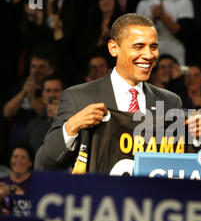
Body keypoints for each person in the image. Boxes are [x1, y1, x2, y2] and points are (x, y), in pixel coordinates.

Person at [34, 13, 183, 171]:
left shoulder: (170, 102)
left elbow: (179, 166)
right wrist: (71, 127)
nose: (148, 55)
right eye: (139, 46)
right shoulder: (79, 98)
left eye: (153, 47)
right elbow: (44, 165)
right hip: (99, 195)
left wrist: (195, 139)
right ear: (114, 48)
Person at [135, 0, 194, 65]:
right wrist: (154, 19)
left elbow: (184, 34)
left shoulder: (184, 1)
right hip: (149, 56)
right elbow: (138, 37)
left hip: (175, 54)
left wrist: (162, 16)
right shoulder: (143, 4)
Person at [24, 76, 64, 154]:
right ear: (43, 94)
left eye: (56, 90)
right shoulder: (33, 124)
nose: (52, 95)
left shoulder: (72, 119)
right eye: (48, 91)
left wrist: (58, 117)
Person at [0, 145, 33, 217]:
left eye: (23, 158)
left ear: (30, 163)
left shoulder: (36, 184)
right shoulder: (1, 183)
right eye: (15, 157)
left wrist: (21, 195)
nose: (18, 161)